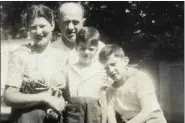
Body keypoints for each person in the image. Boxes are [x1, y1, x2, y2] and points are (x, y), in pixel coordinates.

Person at [4, 5, 67, 123]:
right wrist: (44, 98)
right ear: (28, 30)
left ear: (52, 25)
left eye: (42, 26)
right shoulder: (21, 55)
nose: (38, 32)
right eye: (33, 27)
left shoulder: (62, 56)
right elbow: (9, 97)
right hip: (27, 118)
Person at [51, 27, 109, 123]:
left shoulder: (101, 71)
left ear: (96, 50)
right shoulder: (68, 70)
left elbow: (104, 101)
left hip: (94, 116)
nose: (86, 52)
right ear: (76, 48)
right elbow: (61, 94)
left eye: (91, 49)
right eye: (82, 48)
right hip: (73, 115)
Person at [99, 44, 167, 123]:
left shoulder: (139, 78)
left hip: (152, 118)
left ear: (125, 61)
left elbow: (147, 111)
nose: (110, 70)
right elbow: (111, 118)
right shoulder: (110, 90)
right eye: (106, 68)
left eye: (113, 64)